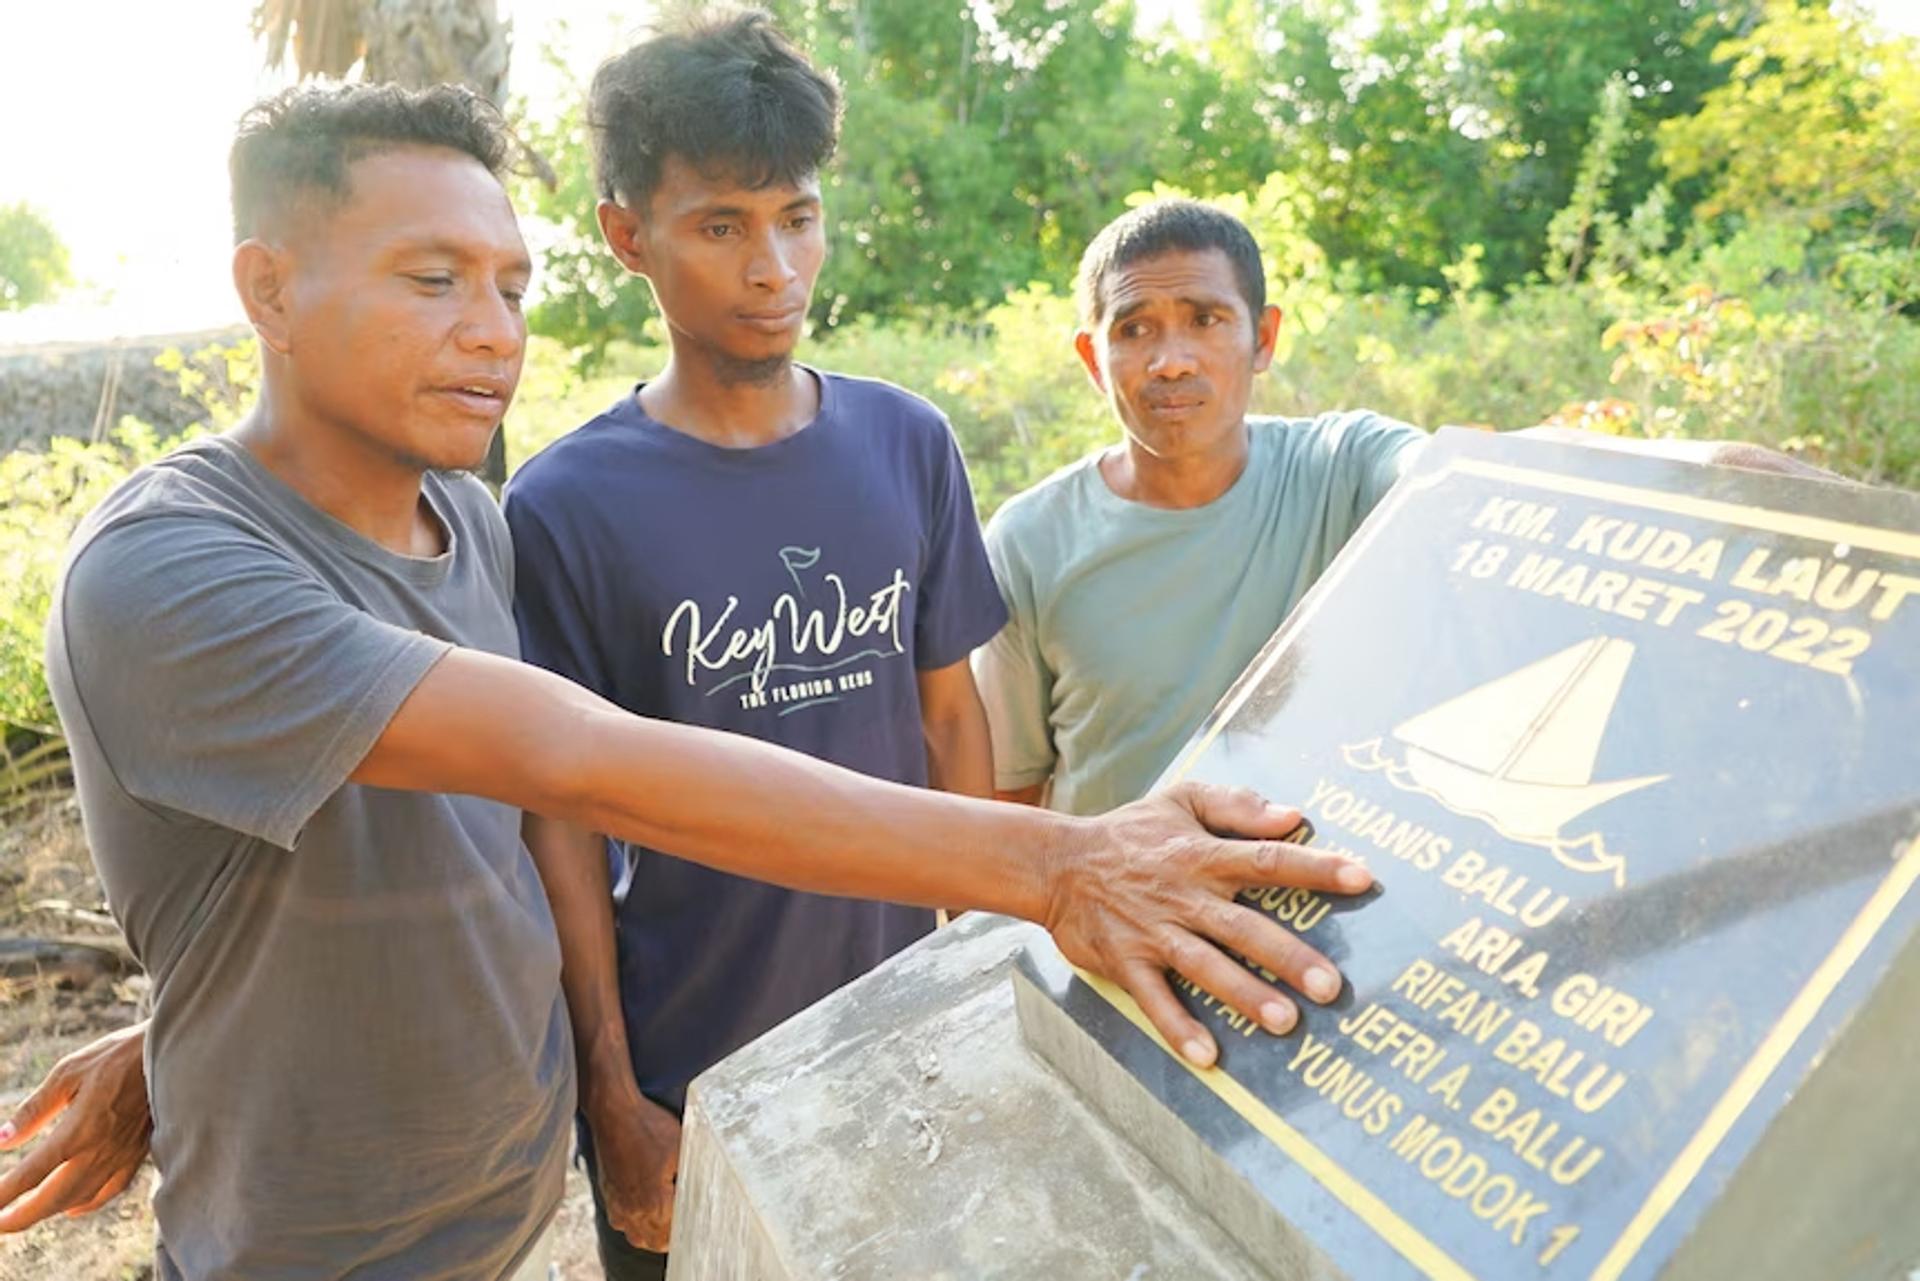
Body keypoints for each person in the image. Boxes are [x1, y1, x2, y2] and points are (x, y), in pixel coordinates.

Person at [0, 85, 1369, 1279]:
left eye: (511, 289)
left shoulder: (461, 521)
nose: (491, 333)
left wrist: (167, 1036)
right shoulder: (172, 567)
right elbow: (577, 764)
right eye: (433, 280)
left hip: (496, 1211)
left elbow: (452, 836)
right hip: (307, 1245)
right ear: (268, 290)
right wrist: (1062, 865)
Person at [501, 13, 1003, 1274]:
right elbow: (554, 817)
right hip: (695, 1079)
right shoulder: (565, 506)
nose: (775, 265)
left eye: (799, 216)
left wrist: (986, 976)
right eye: (722, 225)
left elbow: (951, 722)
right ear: (627, 235)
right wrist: (611, 1095)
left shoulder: (906, 443)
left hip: (905, 1052)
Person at [975, 199, 1832, 816]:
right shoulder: (1028, 540)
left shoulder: (1341, 464)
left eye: (1205, 319)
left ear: (1263, 337)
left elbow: (1489, 474)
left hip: (1315, 896)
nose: (1170, 359)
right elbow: (1012, 793)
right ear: (1094, 356)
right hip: (1126, 924)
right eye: (1135, 329)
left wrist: (1728, 467)